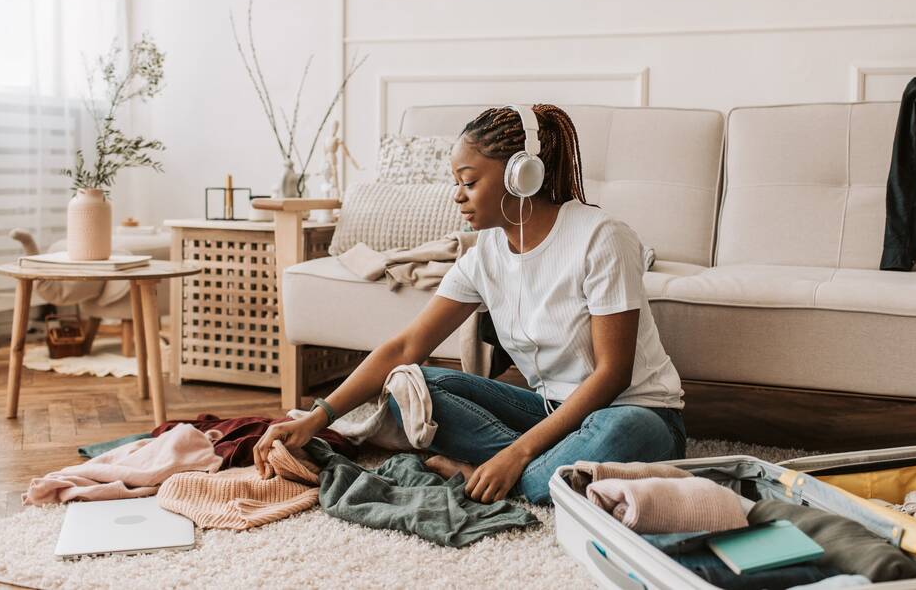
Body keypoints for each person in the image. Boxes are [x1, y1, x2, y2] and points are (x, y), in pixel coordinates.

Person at [253, 104, 686, 504]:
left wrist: (516, 453)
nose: (457, 195)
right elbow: (405, 348)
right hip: (548, 414)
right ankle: (540, 471)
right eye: (456, 183)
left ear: (522, 175)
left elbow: (613, 374)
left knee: (624, 431)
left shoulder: (600, 237)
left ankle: (501, 472)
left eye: (470, 181)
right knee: (415, 386)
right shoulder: (484, 255)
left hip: (635, 413)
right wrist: (318, 417)